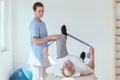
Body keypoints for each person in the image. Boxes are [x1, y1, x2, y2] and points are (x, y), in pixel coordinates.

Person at [29, 2, 61, 69]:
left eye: (43, 11)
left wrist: (54, 38)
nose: (41, 13)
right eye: (39, 11)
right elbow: (36, 41)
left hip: (44, 54)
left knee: (46, 77)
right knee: (37, 78)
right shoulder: (34, 24)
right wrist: (50, 36)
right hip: (36, 55)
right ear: (34, 11)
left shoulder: (42, 23)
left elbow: (44, 39)